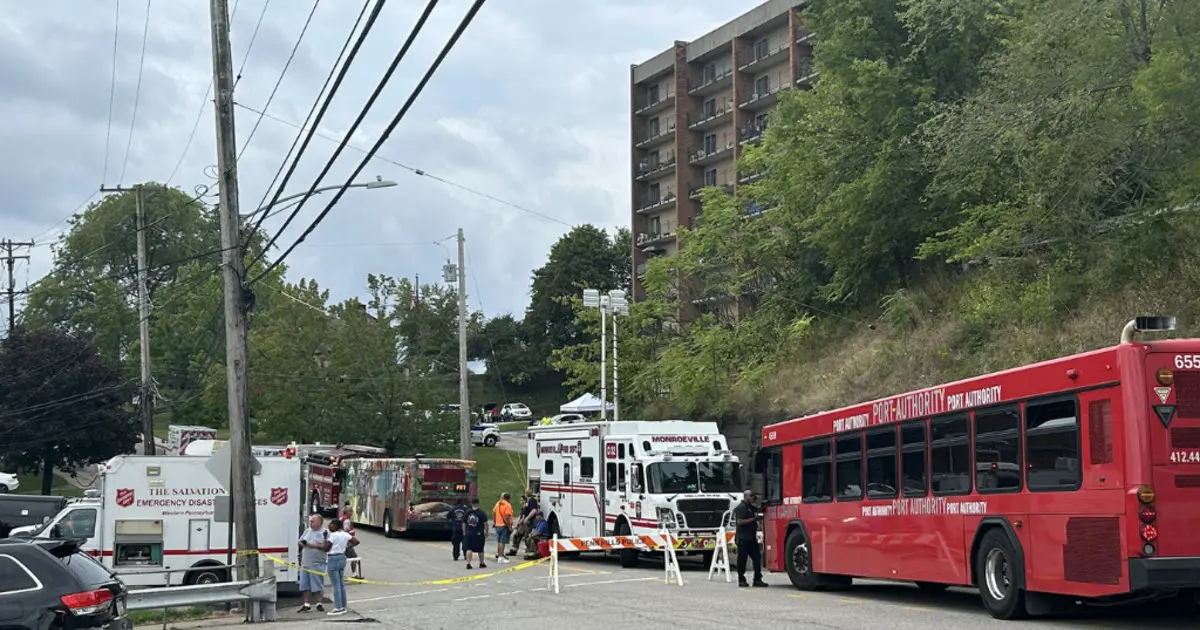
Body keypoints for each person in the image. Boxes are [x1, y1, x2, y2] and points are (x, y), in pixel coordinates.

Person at [733, 490, 768, 588]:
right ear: (746, 496)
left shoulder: (750, 507)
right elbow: (740, 521)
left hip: (751, 538)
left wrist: (763, 505)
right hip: (743, 538)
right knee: (742, 560)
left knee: (757, 557)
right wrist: (754, 519)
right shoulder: (741, 507)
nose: (753, 498)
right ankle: (741, 579)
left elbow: (758, 510)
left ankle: (757, 579)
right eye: (751, 496)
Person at [297, 514, 331, 612]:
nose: (311, 523)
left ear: (320, 522)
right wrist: (302, 543)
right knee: (305, 584)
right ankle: (306, 603)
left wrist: (311, 545)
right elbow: (300, 541)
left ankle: (319, 603)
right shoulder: (307, 531)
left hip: (317, 563)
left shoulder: (325, 532)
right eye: (310, 521)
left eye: (313, 521)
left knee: (317, 584)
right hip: (305, 563)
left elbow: (326, 547)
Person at [325, 518, 358, 616]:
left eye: (331, 524)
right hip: (342, 556)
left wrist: (324, 540)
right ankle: (344, 605)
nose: (329, 526)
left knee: (335, 584)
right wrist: (347, 547)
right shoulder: (345, 534)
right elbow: (356, 541)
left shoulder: (333, 535)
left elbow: (326, 548)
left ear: (336, 526)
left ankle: (338, 607)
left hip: (333, 557)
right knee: (341, 583)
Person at [508, 489, 539, 556]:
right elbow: (524, 513)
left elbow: (534, 510)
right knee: (517, 535)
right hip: (524, 522)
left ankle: (530, 553)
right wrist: (520, 522)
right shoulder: (527, 501)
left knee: (527, 537)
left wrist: (527, 518)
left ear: (526, 494)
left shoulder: (532, 501)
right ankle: (514, 550)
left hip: (530, 522)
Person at [462, 497, 489, 570]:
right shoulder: (481, 513)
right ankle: (481, 563)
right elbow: (485, 524)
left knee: (469, 548)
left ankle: (468, 563)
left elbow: (464, 523)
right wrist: (486, 532)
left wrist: (464, 532)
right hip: (478, 533)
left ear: (472, 503)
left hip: (469, 532)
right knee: (480, 549)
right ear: (478, 503)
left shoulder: (467, 512)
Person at [339, 502, 362, 579]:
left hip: (342, 541)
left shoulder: (342, 518)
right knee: (354, 557)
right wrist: (351, 540)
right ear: (346, 512)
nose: (352, 512)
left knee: (343, 558)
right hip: (346, 541)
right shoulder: (346, 521)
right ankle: (354, 574)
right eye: (350, 511)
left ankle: (341, 573)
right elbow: (346, 531)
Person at [492, 492, 513, 564]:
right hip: (504, 525)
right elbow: (506, 517)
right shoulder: (507, 505)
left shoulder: (498, 503)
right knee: (502, 541)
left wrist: (495, 523)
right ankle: (500, 557)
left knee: (499, 541)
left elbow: (494, 513)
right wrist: (509, 526)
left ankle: (500, 554)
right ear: (508, 498)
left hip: (498, 524)